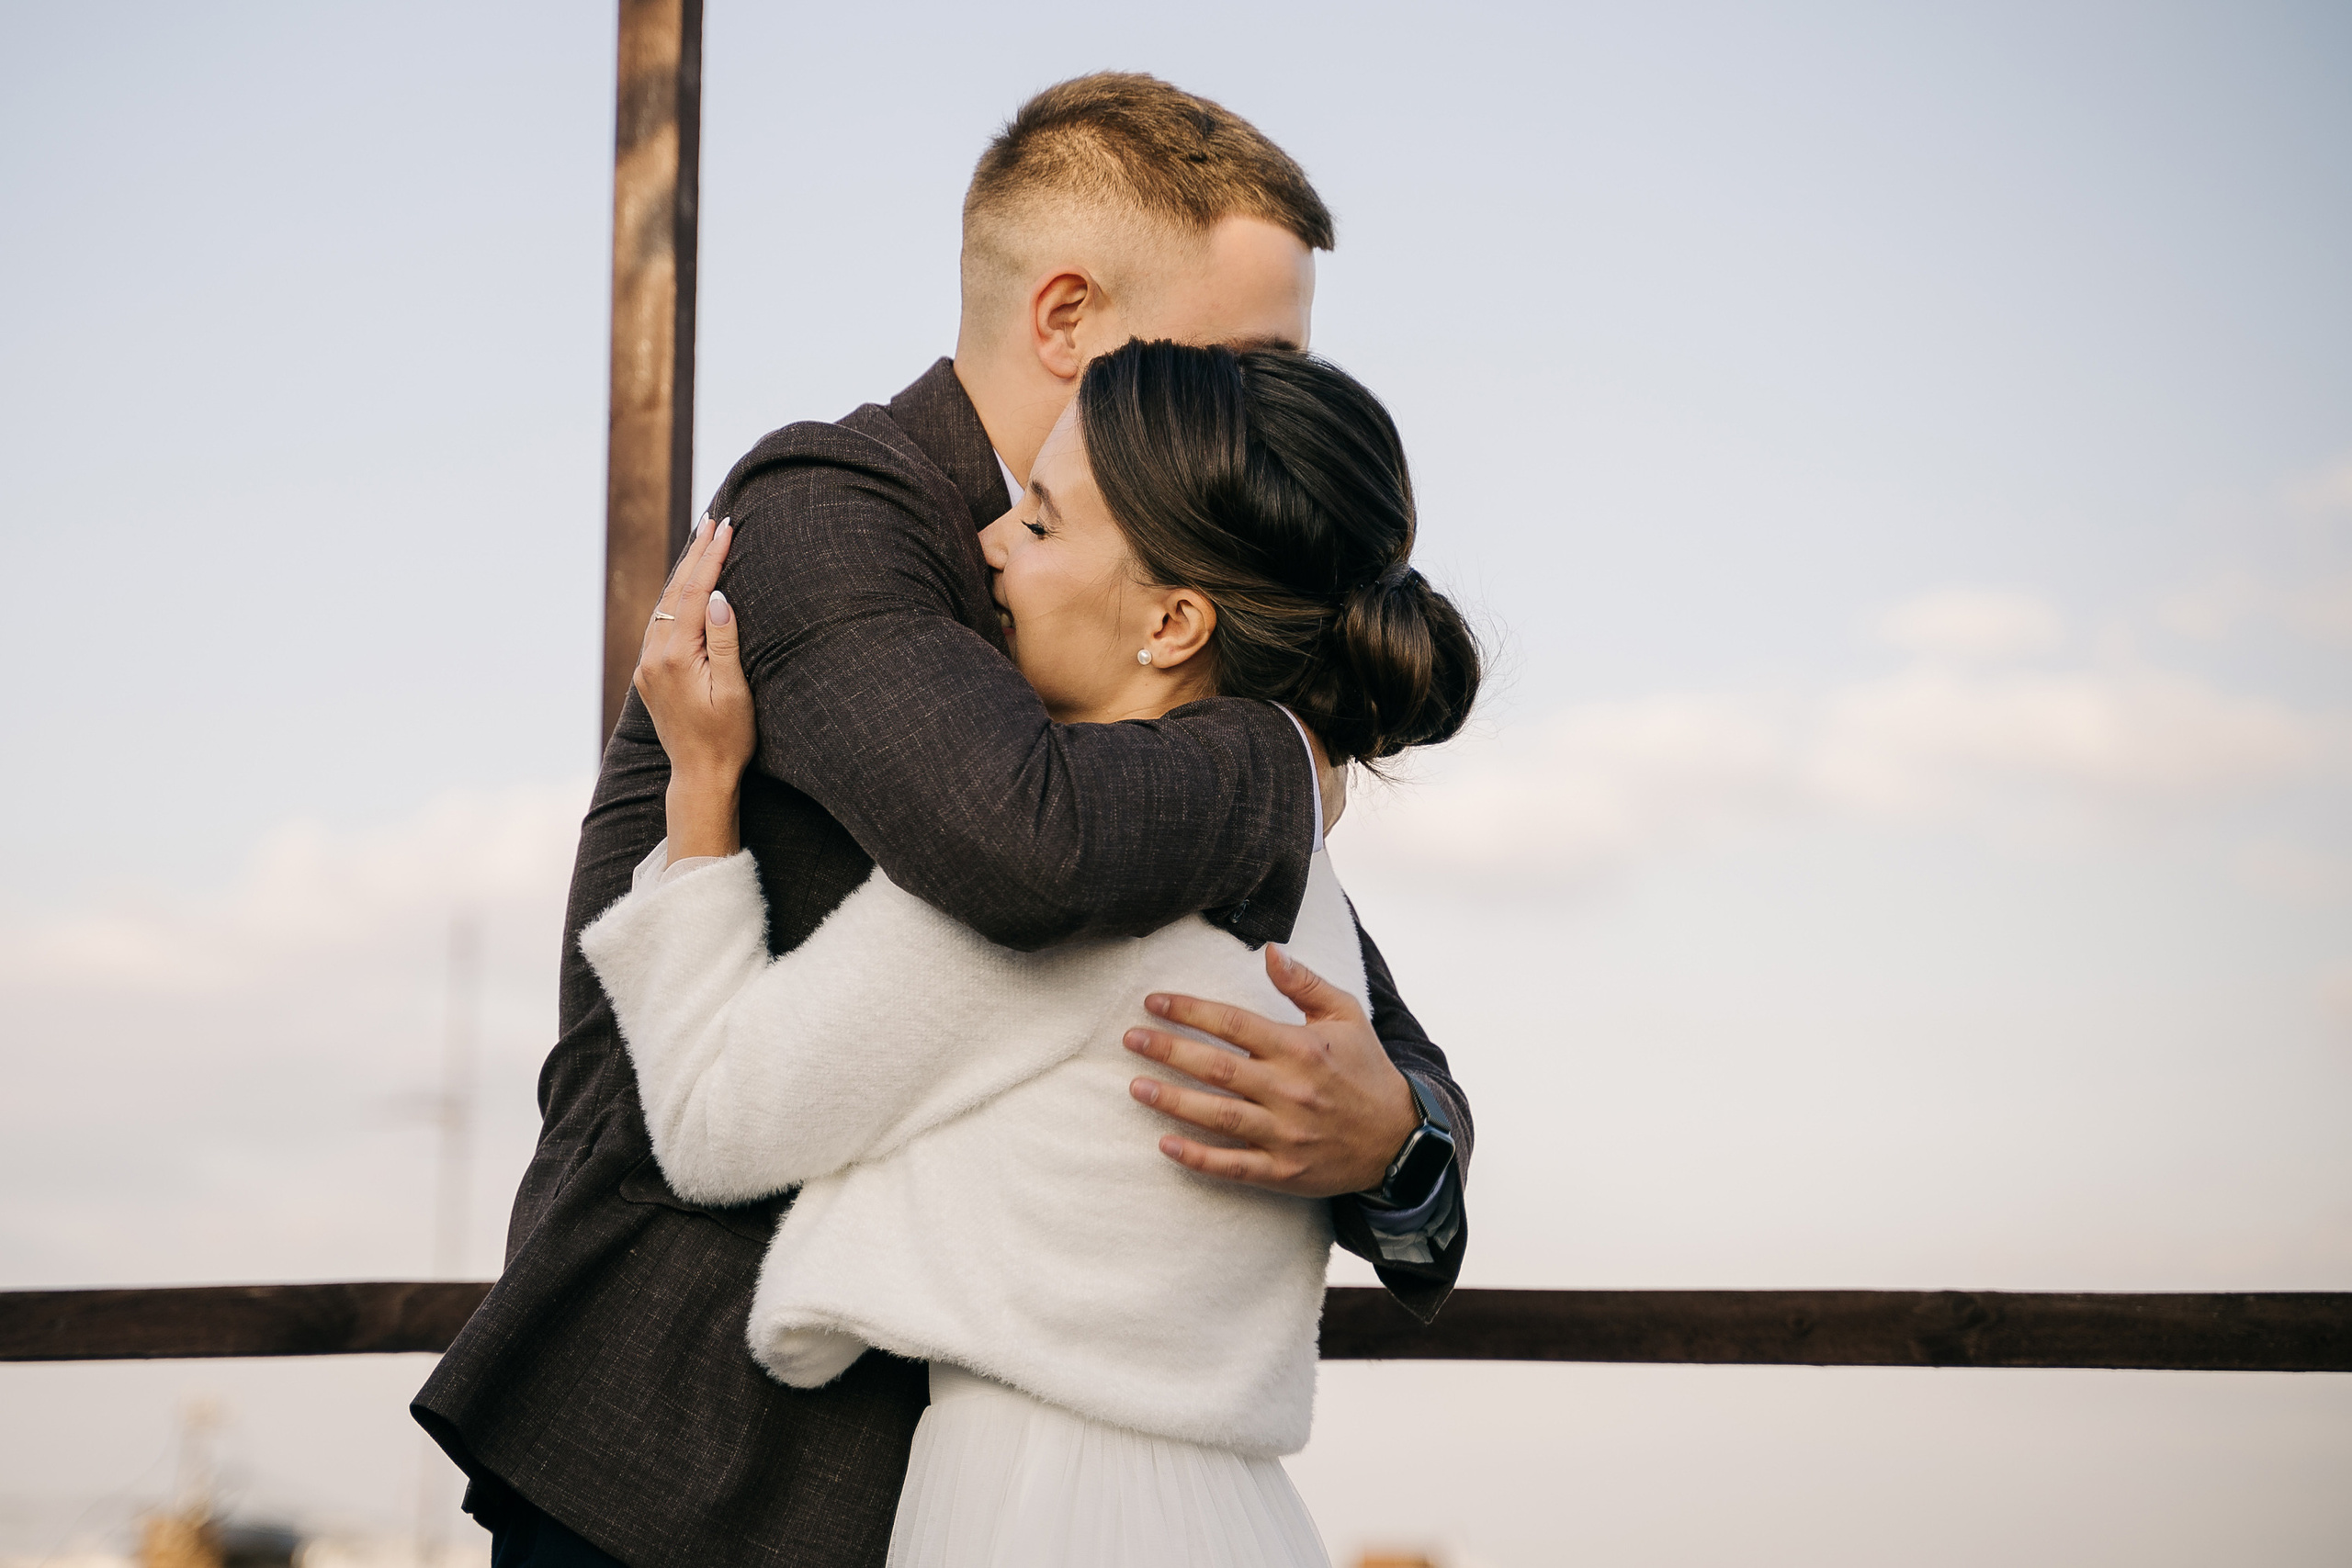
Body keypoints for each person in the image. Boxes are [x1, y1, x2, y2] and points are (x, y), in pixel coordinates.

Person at [413, 73, 1475, 1567]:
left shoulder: (1142, 635)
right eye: (1249, 356)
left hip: (1000, 1486)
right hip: (686, 1463)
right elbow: (1021, 843)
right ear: (1066, 317)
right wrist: (1295, 759)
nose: (1272, 406)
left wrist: (1396, 1146)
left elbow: (1357, 1022)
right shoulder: (830, 510)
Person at [582, 337, 1480, 1567]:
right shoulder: (1293, 880)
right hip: (1233, 1516)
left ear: (1172, 622)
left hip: (1040, 1507)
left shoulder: (1063, 892)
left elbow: (711, 1122)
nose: (991, 543)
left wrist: (698, 801)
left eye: (1043, 527)